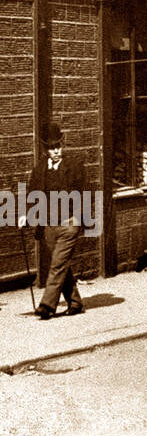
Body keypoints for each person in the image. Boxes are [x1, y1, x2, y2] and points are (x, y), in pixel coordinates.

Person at [23, 123, 86, 320]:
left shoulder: (75, 167)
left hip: (69, 224)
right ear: (45, 149)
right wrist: (27, 215)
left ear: (63, 145)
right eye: (51, 148)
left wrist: (79, 218)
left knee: (57, 265)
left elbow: (86, 194)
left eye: (58, 146)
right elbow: (33, 195)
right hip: (49, 225)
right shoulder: (40, 168)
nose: (56, 151)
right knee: (61, 264)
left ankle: (47, 306)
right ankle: (75, 302)